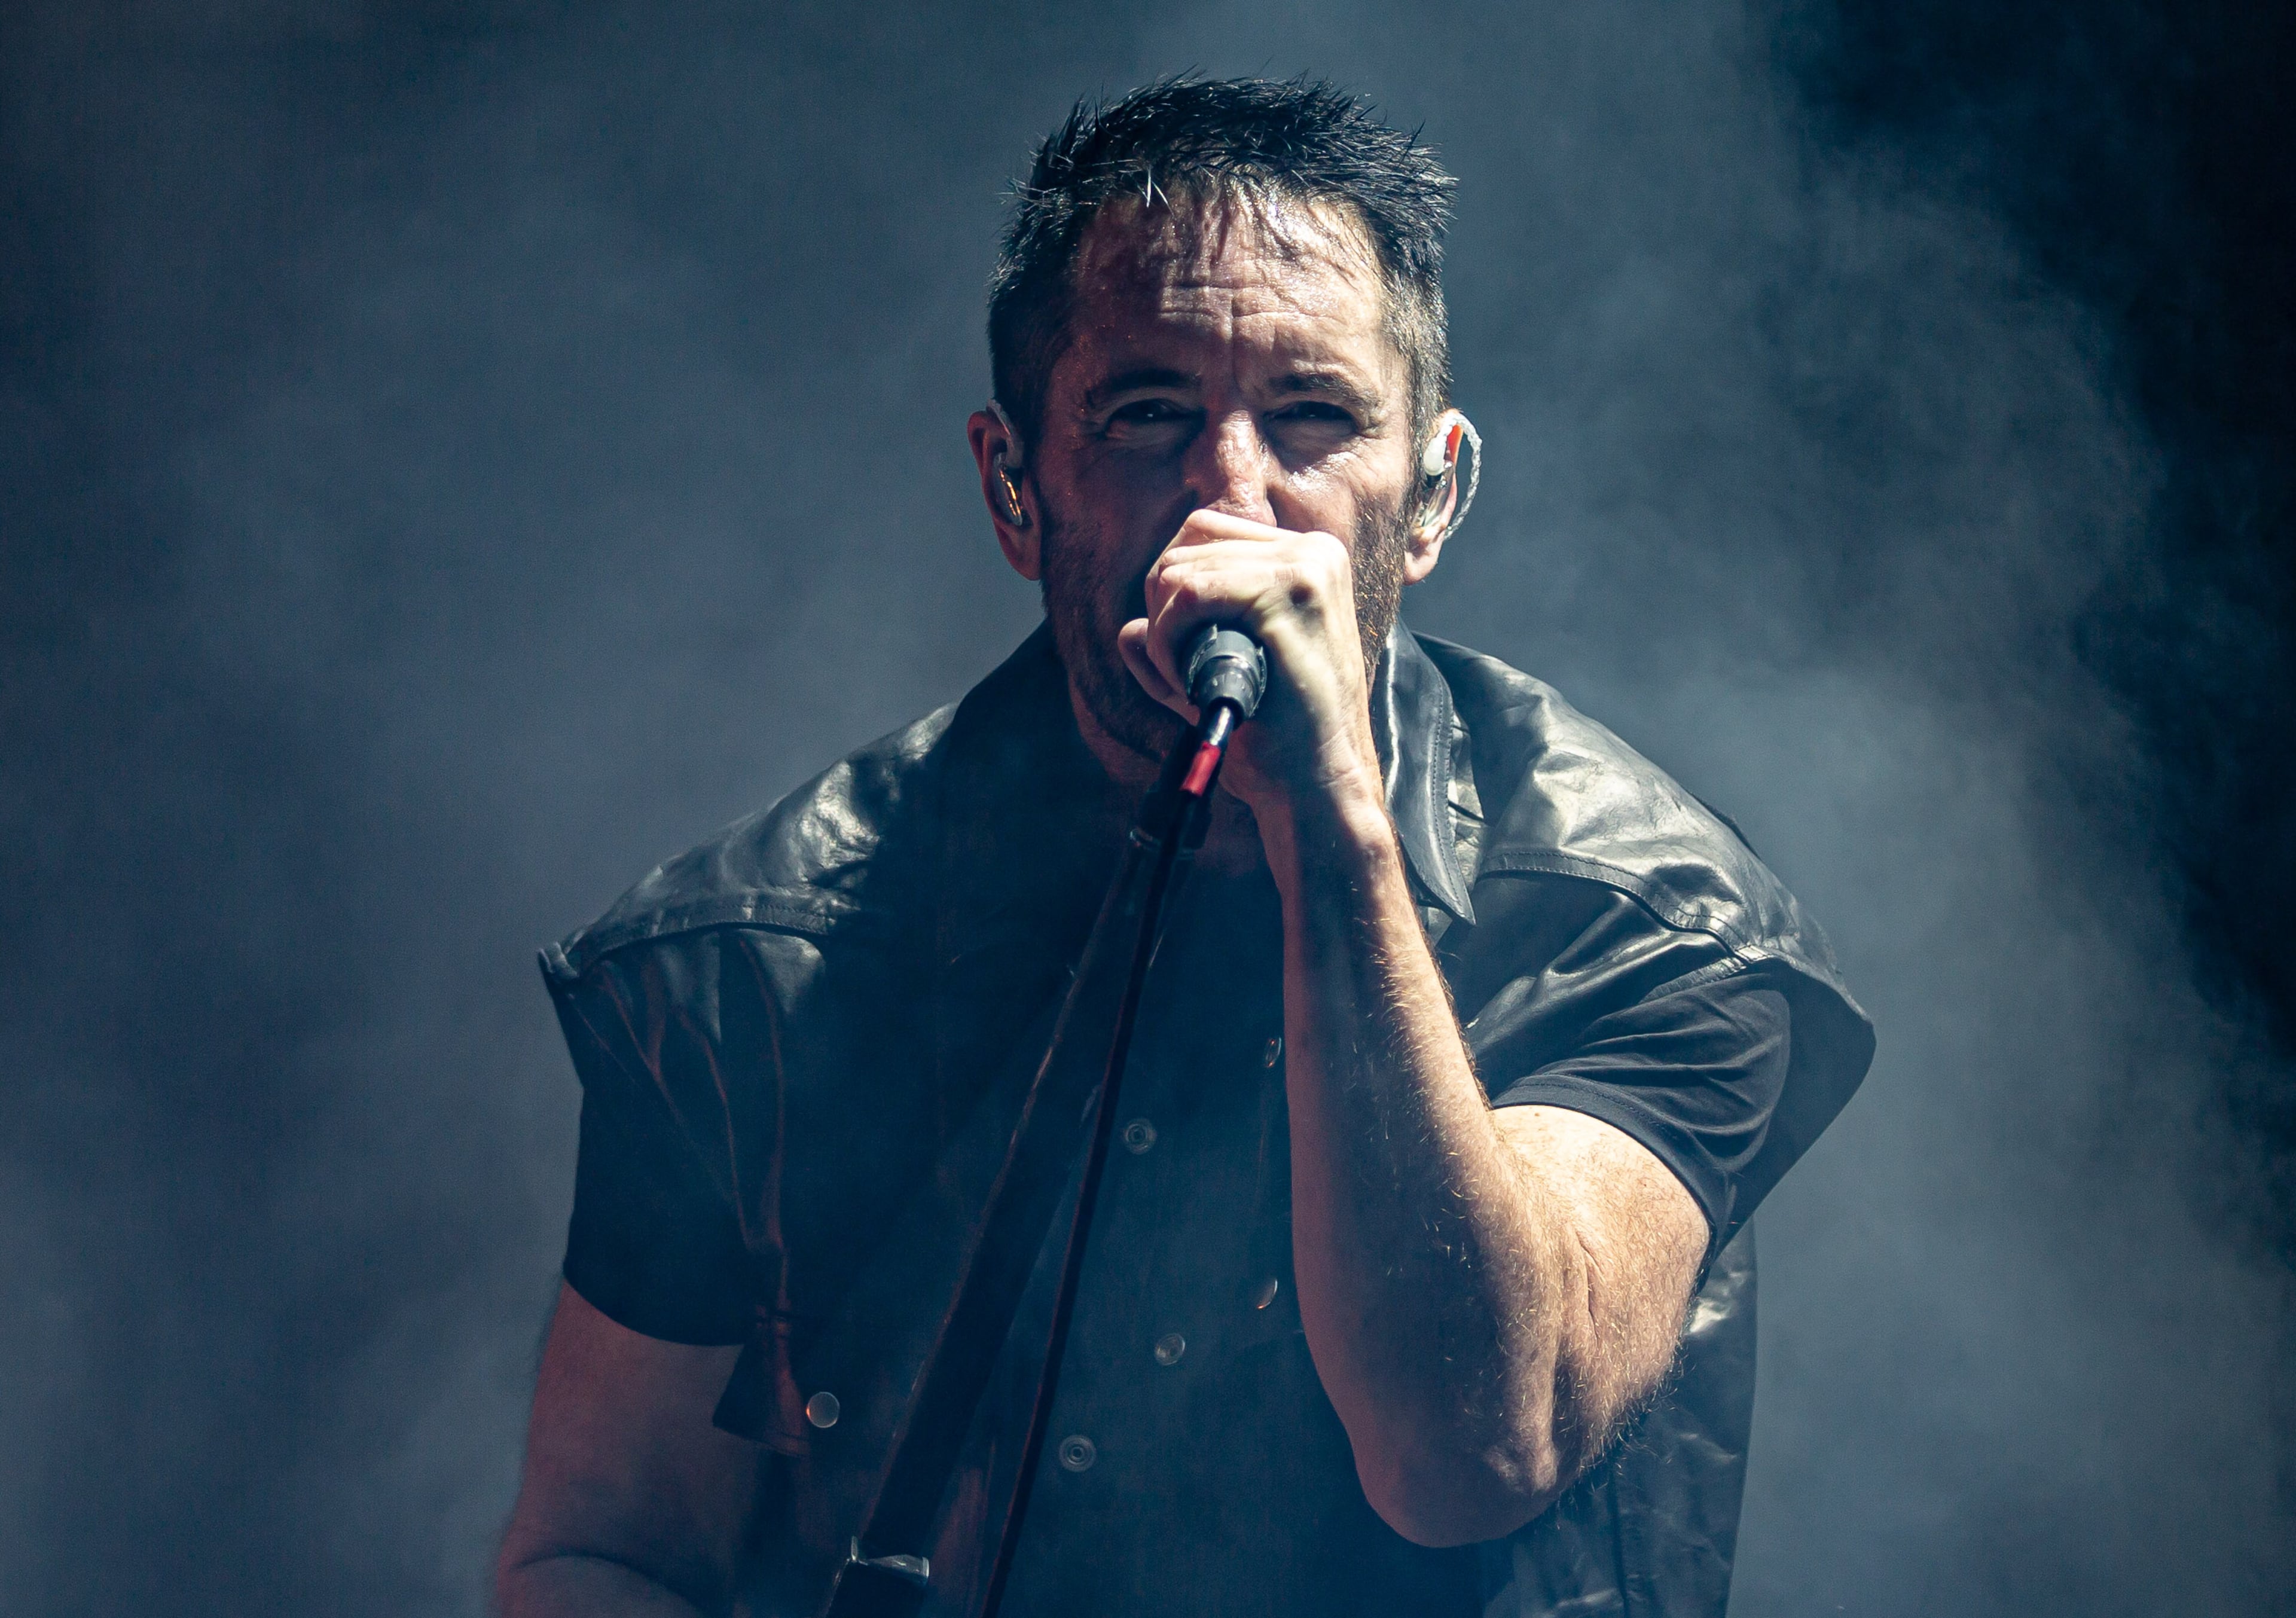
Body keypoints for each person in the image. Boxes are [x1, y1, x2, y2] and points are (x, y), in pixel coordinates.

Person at [495, 78, 1873, 1618]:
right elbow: (603, 1548)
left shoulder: (1643, 923)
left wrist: (1327, 824)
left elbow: (1470, 1450)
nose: (1232, 494)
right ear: (1014, 486)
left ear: (1432, 497)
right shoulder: (745, 970)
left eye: (1315, 417)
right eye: (1148, 415)